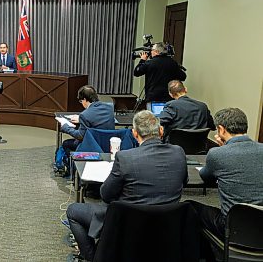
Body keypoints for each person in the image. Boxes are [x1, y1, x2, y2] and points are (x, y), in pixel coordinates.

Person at [66, 110, 187, 261]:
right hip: (168, 221)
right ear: (161, 131)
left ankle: (91, 256)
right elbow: (184, 181)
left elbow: (106, 195)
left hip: (128, 223)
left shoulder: (125, 157)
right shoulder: (179, 152)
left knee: (73, 211)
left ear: (135, 134)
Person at [187, 108, 263, 258]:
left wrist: (222, 149)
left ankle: (203, 255)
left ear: (221, 129)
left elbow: (206, 177)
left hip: (232, 226)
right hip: (260, 222)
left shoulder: (217, 154)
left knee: (191, 205)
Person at [59, 85, 115, 155]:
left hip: (92, 146)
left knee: (66, 144)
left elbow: (80, 136)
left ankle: (71, 163)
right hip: (108, 144)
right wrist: (80, 119)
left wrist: (65, 127)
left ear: (85, 99)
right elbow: (97, 119)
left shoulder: (85, 115)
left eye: (81, 101)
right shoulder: (109, 107)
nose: (82, 103)